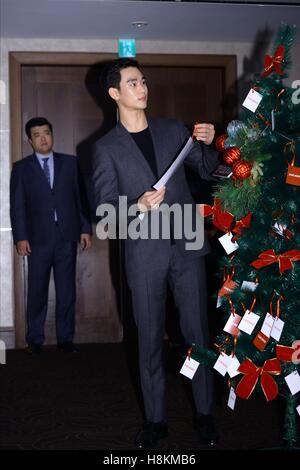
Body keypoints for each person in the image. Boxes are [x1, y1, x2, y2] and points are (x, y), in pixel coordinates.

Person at [93, 59, 219, 448]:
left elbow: (210, 171)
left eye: (143, 81)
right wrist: (138, 207)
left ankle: (204, 414)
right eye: (133, 83)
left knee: (198, 334)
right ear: (115, 93)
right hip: (144, 253)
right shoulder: (104, 149)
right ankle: (156, 420)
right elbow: (103, 220)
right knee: (148, 339)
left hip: (187, 242)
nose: (142, 87)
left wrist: (211, 143)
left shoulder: (172, 129)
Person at [10, 117, 92, 356]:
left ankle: (66, 339)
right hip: (37, 239)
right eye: (37, 135)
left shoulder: (70, 163)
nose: (43, 138)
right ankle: (35, 339)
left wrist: (85, 228)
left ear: (52, 135)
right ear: (30, 140)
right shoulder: (22, 168)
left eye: (46, 133)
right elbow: (17, 206)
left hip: (67, 235)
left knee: (67, 290)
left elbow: (81, 199)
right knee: (37, 290)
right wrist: (20, 237)